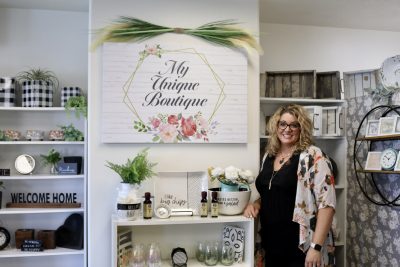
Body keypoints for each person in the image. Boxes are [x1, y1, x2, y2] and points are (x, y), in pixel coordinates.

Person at [244, 104, 336, 267]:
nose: (288, 129)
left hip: (300, 247)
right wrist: (256, 204)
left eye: (294, 125)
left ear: (302, 128)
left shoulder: (313, 156)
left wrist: (315, 247)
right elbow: (271, 192)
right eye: (283, 124)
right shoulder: (269, 155)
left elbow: (327, 204)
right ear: (276, 126)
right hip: (271, 244)